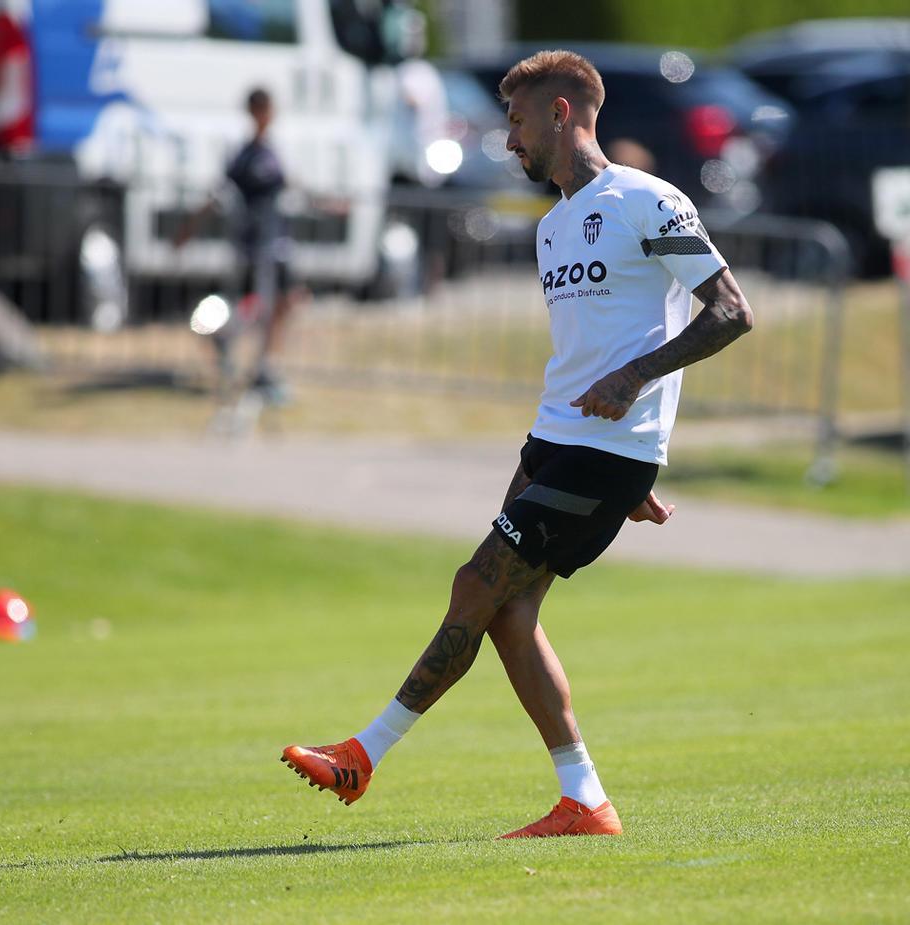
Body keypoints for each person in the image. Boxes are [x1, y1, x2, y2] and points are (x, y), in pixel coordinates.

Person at [282, 50, 753, 838]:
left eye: (518, 121)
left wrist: (637, 398)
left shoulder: (647, 200)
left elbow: (731, 311)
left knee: (478, 580)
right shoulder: (553, 227)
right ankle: (585, 800)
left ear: (562, 113)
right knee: (506, 612)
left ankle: (364, 752)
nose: (509, 142)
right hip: (555, 440)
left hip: (607, 449)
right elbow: (593, 343)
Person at [175, 87, 305, 405]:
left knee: (285, 303)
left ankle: (264, 367)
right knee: (250, 308)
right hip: (253, 246)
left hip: (277, 242)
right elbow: (217, 194)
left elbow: (293, 188)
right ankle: (218, 333)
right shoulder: (244, 156)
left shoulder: (274, 150)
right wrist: (188, 228)